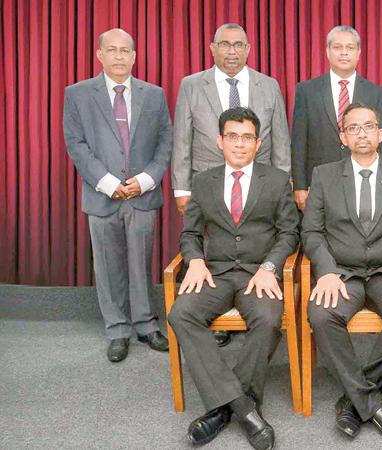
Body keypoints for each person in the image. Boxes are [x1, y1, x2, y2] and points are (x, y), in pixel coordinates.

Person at [168, 107, 299, 450]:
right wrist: (195, 261)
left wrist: (270, 266)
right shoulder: (204, 181)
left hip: (259, 274)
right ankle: (243, 407)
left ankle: (221, 410)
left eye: (247, 138)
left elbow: (290, 233)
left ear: (258, 143)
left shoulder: (275, 180)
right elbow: (190, 233)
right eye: (232, 136)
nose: (239, 144)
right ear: (219, 141)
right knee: (181, 313)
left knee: (269, 318)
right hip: (216, 273)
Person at [302, 103, 382, 444]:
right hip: (342, 273)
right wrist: (325, 272)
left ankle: (354, 399)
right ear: (343, 136)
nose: (361, 133)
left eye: (368, 126)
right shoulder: (324, 175)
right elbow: (311, 233)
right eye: (353, 128)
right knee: (322, 314)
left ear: (380, 134)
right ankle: (372, 404)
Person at [172, 23, 291, 347]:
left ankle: (252, 307)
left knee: (253, 243)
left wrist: (284, 181)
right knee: (216, 249)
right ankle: (219, 313)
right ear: (212, 48)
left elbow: (280, 138)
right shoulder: (193, 85)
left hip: (260, 183)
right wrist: (182, 188)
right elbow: (182, 137)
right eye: (224, 44)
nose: (232, 51)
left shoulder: (268, 85)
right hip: (207, 182)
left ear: (249, 49)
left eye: (239, 45)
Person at [63, 28, 172, 362]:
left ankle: (145, 324)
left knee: (141, 263)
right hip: (103, 195)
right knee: (109, 266)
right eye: (112, 50)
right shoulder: (78, 94)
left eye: (126, 51)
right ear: (99, 55)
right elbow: (76, 144)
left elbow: (165, 142)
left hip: (142, 193)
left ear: (135, 56)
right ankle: (117, 329)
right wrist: (109, 183)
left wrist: (147, 179)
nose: (119, 56)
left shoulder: (154, 95)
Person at [291, 25, 382, 211]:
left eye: (350, 48)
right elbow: (298, 141)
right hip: (318, 182)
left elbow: (381, 141)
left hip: (363, 178)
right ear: (327, 51)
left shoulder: (375, 92)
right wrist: (300, 186)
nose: (344, 53)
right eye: (337, 47)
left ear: (359, 53)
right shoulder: (307, 91)